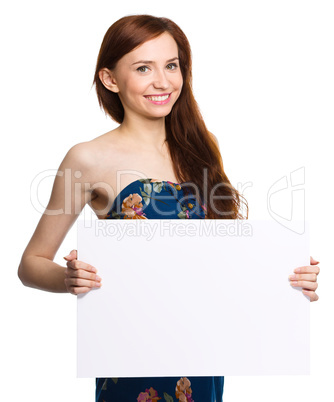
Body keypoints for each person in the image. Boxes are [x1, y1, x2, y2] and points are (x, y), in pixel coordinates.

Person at [18, 14, 320, 402]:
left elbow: (218, 257)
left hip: (203, 353)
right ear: (110, 79)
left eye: (171, 65)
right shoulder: (88, 158)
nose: (163, 81)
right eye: (143, 68)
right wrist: (69, 279)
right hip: (133, 357)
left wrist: (286, 279)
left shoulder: (200, 144)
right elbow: (31, 262)